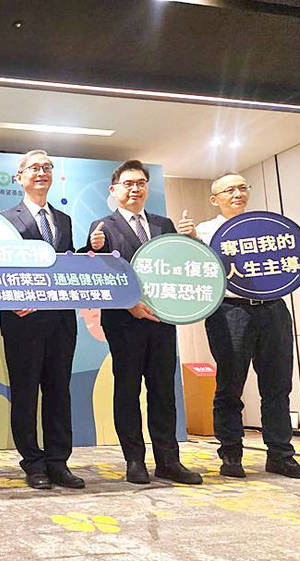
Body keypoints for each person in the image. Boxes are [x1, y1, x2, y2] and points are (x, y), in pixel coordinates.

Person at [85, 159, 202, 485]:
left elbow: (180, 266)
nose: (135, 189)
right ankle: (134, 460)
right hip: (124, 322)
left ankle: (168, 461)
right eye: (128, 183)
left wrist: (191, 239)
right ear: (114, 189)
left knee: (163, 391)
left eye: (140, 183)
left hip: (163, 321)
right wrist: (92, 248)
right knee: (127, 390)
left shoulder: (164, 224)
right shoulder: (102, 227)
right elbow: (99, 274)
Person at [196, 172, 300, 479]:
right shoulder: (204, 232)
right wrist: (188, 241)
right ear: (214, 199)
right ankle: (231, 455)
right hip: (230, 311)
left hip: (273, 308)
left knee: (278, 386)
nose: (237, 194)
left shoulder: (267, 227)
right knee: (230, 386)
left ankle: (281, 456)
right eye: (229, 189)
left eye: (242, 188)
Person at [0, 150, 83, 490]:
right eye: (34, 168)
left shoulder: (63, 220)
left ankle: (58, 461)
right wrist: (10, 298)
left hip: (61, 319)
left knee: (59, 391)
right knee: (25, 392)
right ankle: (33, 463)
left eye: (47, 168)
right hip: (23, 319)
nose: (42, 173)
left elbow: (64, 263)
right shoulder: (5, 219)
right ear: (19, 176)